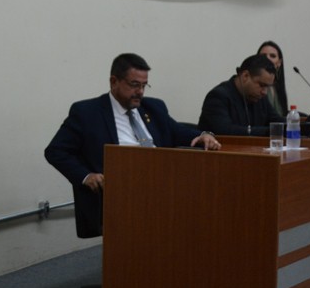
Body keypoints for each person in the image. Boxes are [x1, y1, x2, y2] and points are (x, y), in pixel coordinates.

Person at [45, 53, 220, 237]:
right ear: (114, 82)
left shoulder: (154, 107)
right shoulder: (87, 113)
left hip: (161, 186)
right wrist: (85, 176)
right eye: (134, 85)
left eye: (144, 85)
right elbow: (55, 151)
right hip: (120, 194)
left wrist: (204, 135)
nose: (140, 92)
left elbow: (177, 131)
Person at [198, 53, 292, 136]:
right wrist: (269, 131)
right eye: (262, 85)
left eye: (267, 87)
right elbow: (225, 131)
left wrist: (295, 125)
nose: (264, 92)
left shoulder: (260, 97)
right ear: (245, 76)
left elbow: (276, 121)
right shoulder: (218, 96)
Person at [257, 40, 288, 117]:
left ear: (279, 63)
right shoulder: (254, 86)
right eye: (263, 56)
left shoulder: (277, 87)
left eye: (272, 56)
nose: (267, 59)